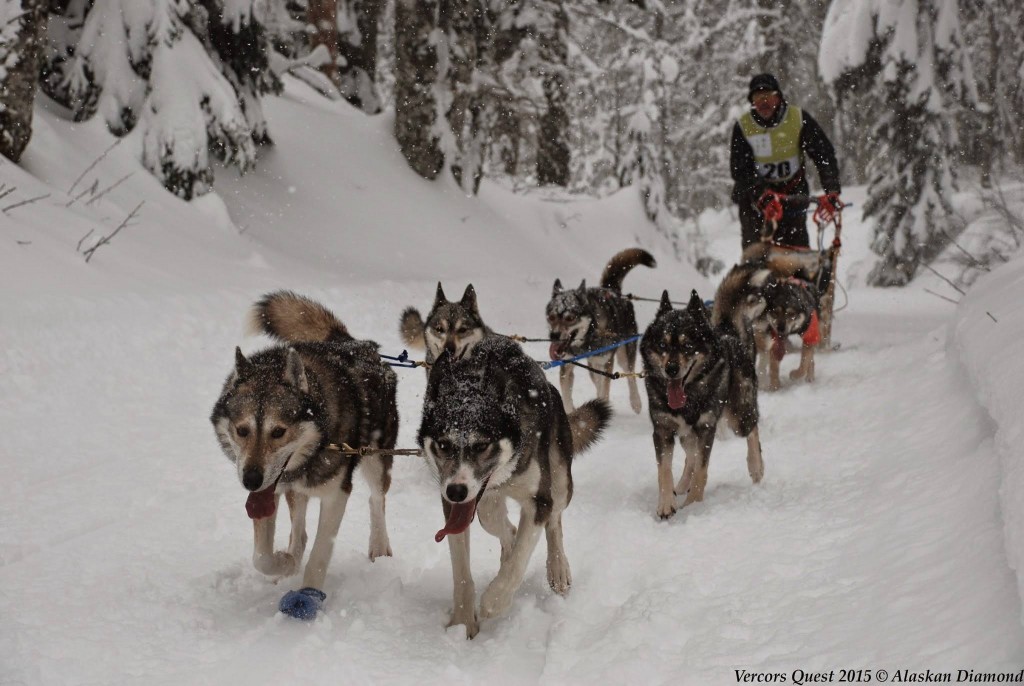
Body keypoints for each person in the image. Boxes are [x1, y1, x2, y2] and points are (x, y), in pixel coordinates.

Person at [730, 73, 842, 250]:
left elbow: (824, 154)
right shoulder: (744, 127)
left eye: (768, 97)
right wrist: (762, 195)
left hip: (792, 192)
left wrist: (832, 190)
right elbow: (739, 170)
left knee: (796, 254)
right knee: (756, 255)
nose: (763, 103)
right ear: (752, 102)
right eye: (758, 98)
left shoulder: (797, 119)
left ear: (779, 97)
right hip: (755, 199)